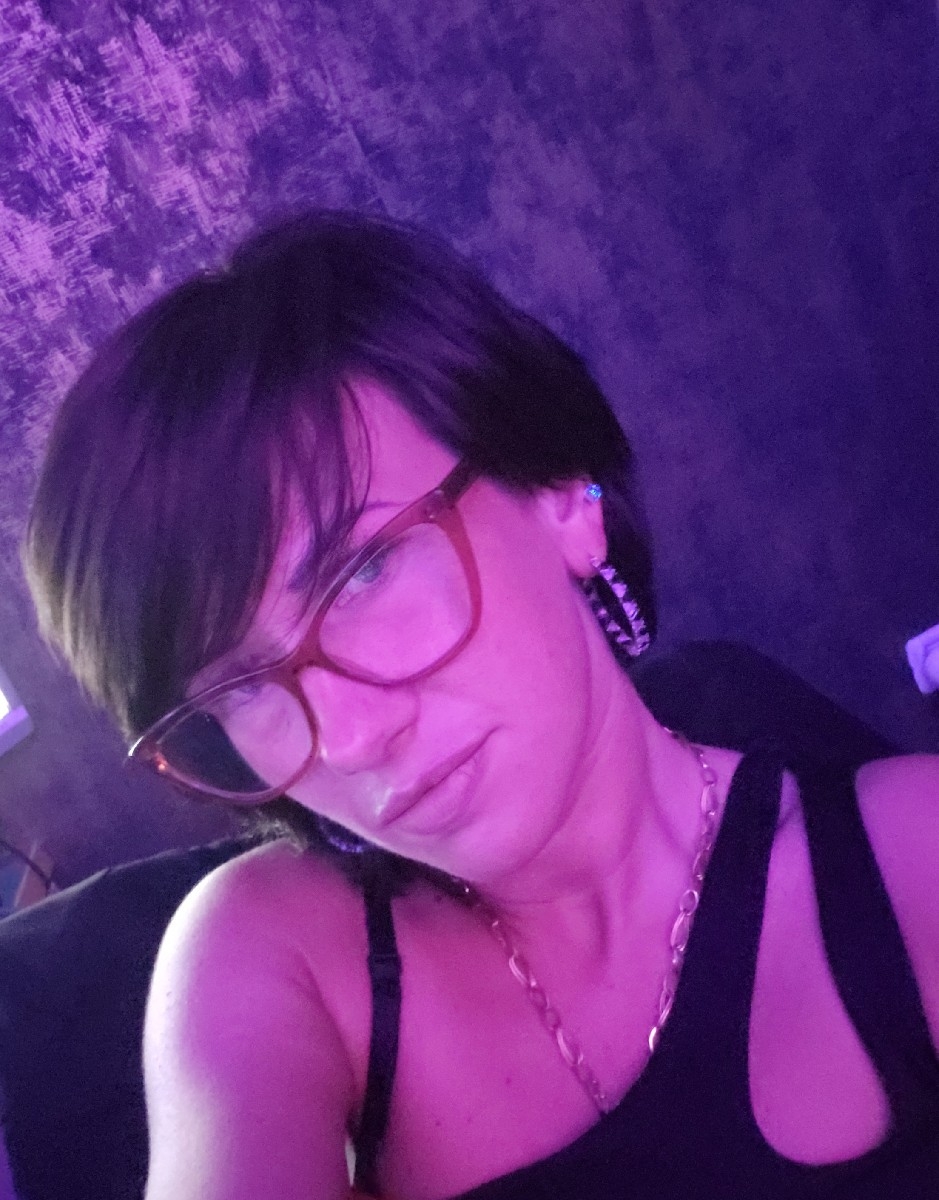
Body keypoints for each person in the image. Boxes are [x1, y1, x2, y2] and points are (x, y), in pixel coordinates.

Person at [24, 211, 939, 1199]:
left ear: (561, 494)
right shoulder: (274, 956)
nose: (349, 738)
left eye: (364, 570)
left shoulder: (911, 858)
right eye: (240, 685)